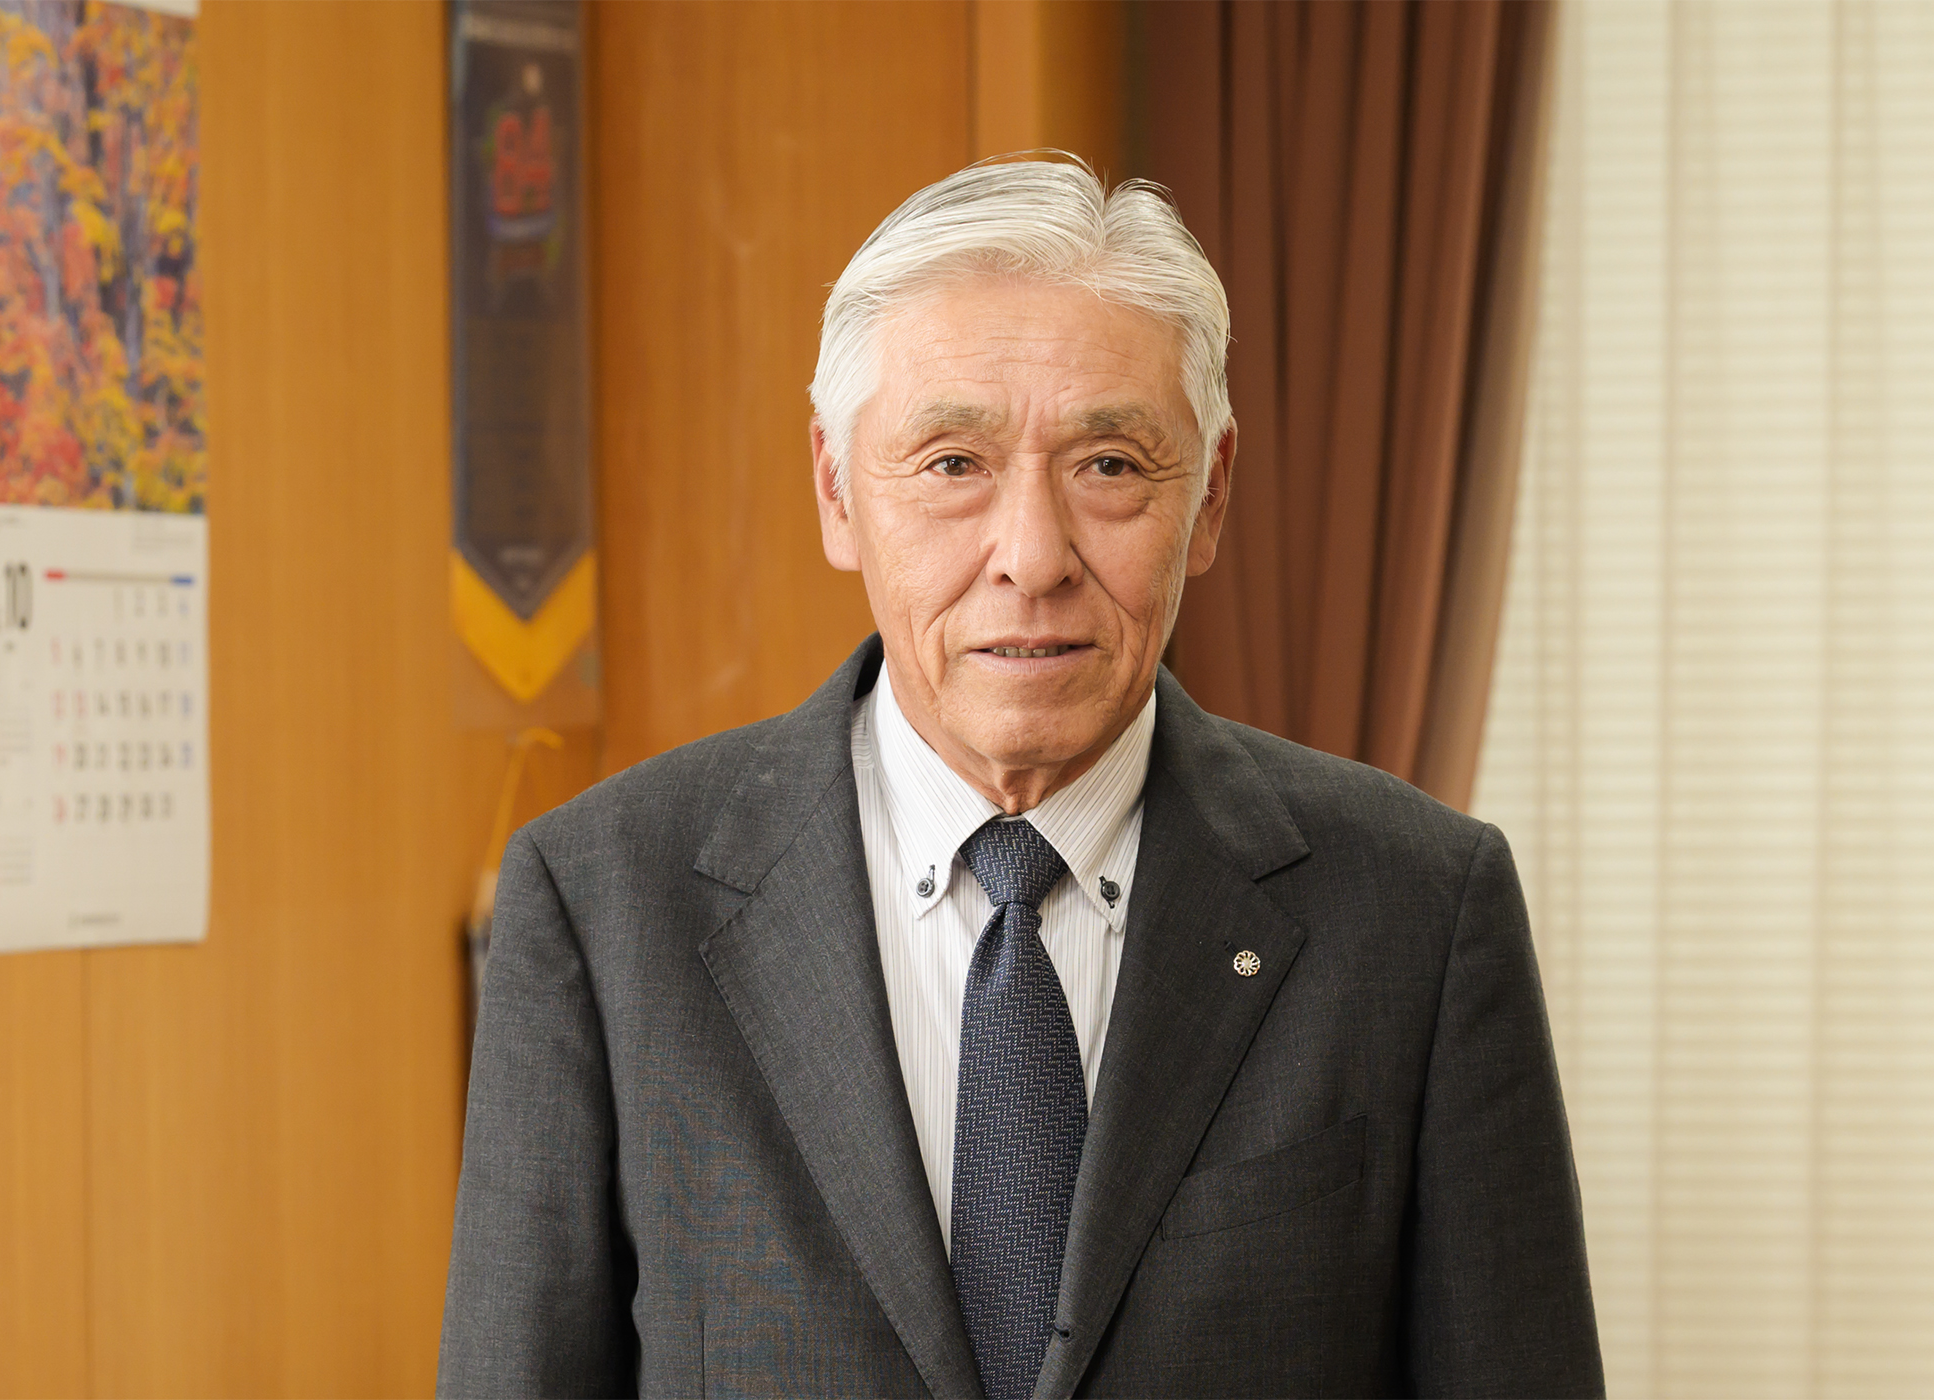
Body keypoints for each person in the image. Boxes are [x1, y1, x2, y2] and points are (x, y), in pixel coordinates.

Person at [438, 156, 1602, 1399]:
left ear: (1210, 495)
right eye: (953, 463)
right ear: (837, 490)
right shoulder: (603, 901)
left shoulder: (1420, 907)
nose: (1033, 556)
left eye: (1111, 464)